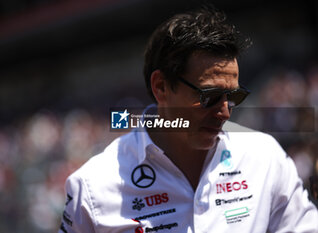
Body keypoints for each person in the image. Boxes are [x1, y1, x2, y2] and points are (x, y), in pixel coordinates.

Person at [58, 6, 318, 233]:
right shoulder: (92, 187)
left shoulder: (266, 157)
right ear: (161, 87)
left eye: (233, 96)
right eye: (210, 96)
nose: (225, 112)